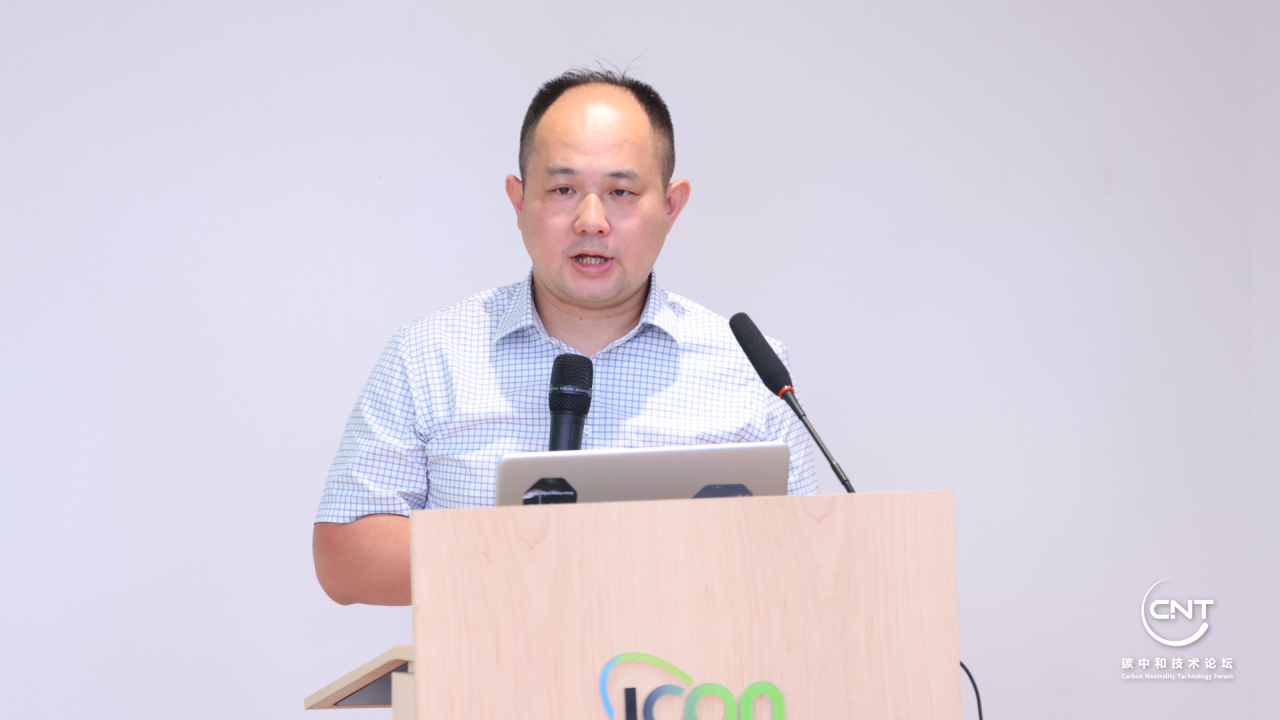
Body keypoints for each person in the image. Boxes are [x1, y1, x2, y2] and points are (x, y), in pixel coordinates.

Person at [313, 70, 818, 606]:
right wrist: (527, 550)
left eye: (621, 191)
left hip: (689, 662)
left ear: (671, 206)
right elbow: (345, 560)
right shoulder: (429, 354)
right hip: (492, 660)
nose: (591, 221)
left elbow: (807, 564)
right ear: (518, 199)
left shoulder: (749, 369)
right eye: (562, 190)